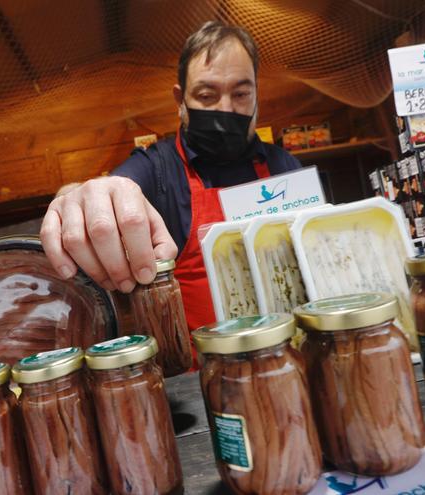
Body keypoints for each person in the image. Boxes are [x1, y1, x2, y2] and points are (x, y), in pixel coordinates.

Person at [40, 21, 301, 331]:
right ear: (180, 100)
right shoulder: (157, 168)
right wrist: (77, 200)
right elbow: (105, 190)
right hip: (199, 374)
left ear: (257, 93)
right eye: (207, 95)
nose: (226, 109)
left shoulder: (285, 167)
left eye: (241, 94)